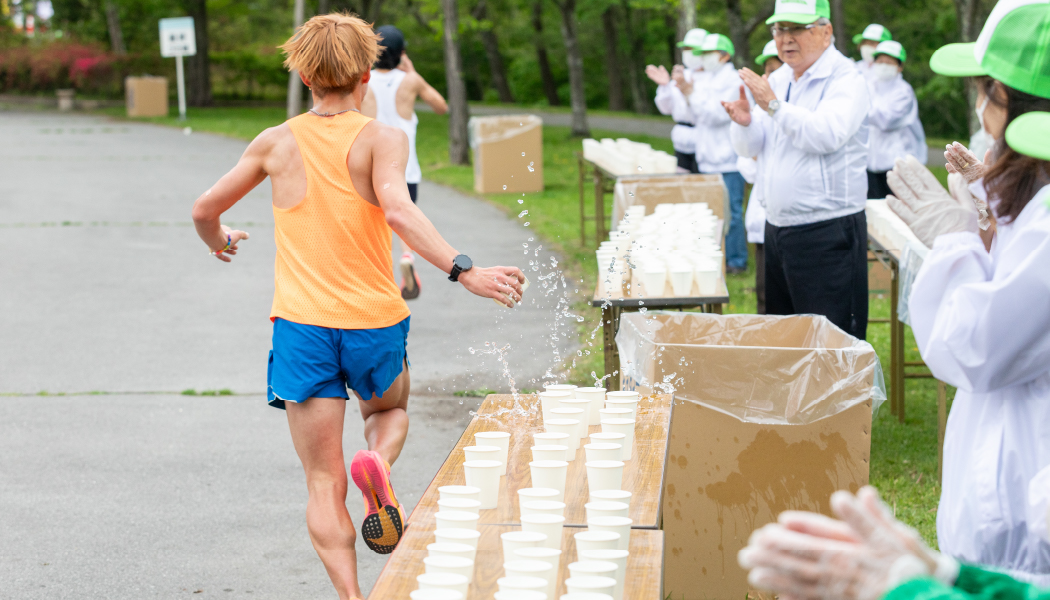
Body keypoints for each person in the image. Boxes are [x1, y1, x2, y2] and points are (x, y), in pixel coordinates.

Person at [190, 13, 525, 600]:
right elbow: (397, 210)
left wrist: (220, 241)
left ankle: (353, 596)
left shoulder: (275, 141)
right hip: (373, 321)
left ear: (302, 73)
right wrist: (463, 270)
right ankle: (379, 464)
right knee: (388, 413)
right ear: (366, 75)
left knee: (322, 482)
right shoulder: (381, 138)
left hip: (303, 326)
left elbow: (203, 209)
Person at [891, 0, 1050, 584]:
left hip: (1025, 529)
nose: (981, 110)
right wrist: (986, 219)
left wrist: (955, 243)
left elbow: (976, 345)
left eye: (989, 93)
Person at [721, 0, 871, 340]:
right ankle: (792, 396)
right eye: (779, 29)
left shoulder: (847, 79)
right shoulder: (781, 77)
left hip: (827, 229)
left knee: (831, 341)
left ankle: (837, 397)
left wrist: (773, 105)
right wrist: (744, 123)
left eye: (796, 29)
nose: (786, 38)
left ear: (826, 31)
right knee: (785, 337)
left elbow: (826, 134)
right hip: (779, 228)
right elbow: (751, 150)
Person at [362, 25, 448, 300]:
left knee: (375, 222)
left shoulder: (363, 81)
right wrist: (412, 73)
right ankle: (408, 257)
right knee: (403, 217)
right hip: (406, 167)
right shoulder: (410, 81)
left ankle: (375, 278)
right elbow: (441, 106)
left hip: (373, 166)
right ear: (402, 54)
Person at [685, 33, 748, 273]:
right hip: (708, 157)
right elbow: (695, 115)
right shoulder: (709, 79)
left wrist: (692, 95)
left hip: (728, 159)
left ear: (725, 55)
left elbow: (715, 114)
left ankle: (736, 261)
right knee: (711, 214)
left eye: (710, 54)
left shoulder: (733, 81)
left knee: (731, 213)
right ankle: (717, 259)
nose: (705, 59)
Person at [744, 39, 783, 313]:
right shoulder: (757, 111)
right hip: (763, 214)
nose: (769, 76)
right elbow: (746, 167)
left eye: (775, 69)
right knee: (766, 293)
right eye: (766, 70)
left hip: (796, 217)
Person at [866, 40, 927, 199]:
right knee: (875, 213)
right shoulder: (869, 85)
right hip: (870, 162)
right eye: (880, 61)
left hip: (897, 163)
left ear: (899, 67)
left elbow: (885, 121)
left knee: (898, 212)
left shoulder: (903, 92)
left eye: (889, 62)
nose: (883, 65)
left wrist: (858, 110)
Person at [647, 28, 708, 173]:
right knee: (683, 184)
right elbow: (666, 108)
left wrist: (688, 91)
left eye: (693, 49)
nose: (688, 52)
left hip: (705, 140)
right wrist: (664, 86)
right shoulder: (682, 75)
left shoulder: (712, 78)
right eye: (686, 49)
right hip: (681, 140)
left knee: (703, 185)